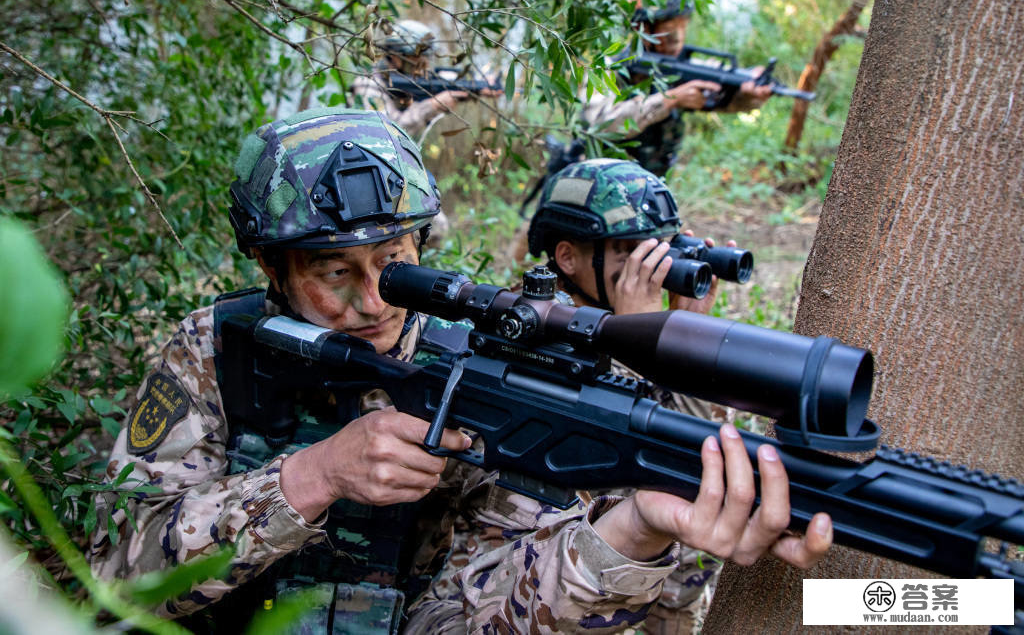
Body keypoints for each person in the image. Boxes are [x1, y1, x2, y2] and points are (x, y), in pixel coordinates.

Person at [88, 107, 833, 633]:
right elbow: (112, 585)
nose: (373, 299)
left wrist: (629, 533)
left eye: (393, 262)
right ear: (269, 266)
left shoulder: (469, 366)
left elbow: (480, 613)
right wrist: (312, 478)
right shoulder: (217, 350)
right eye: (333, 271)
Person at [526, 157, 742, 633]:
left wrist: (687, 337)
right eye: (629, 251)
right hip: (565, 588)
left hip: (665, 589)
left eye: (661, 249)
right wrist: (638, 338)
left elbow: (699, 451)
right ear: (567, 258)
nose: (653, 267)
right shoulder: (538, 334)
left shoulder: (635, 324)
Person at [582, 0, 774, 177]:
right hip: (598, 181)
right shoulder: (607, 67)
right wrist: (669, 100)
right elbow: (600, 126)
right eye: (669, 30)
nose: (678, 39)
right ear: (642, 29)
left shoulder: (681, 66)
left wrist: (748, 92)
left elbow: (726, 93)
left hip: (650, 183)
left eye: (683, 28)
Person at [352, 19, 498, 141]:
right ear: (396, 56)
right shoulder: (368, 84)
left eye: (426, 57)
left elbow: (446, 84)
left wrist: (479, 86)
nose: (424, 63)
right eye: (416, 57)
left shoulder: (413, 80)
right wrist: (432, 106)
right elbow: (384, 133)